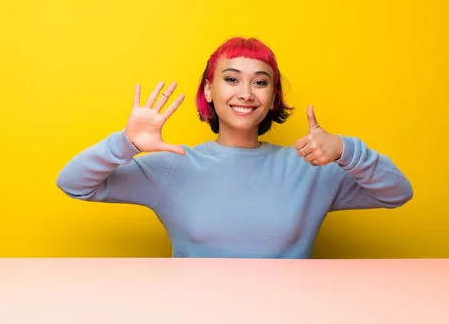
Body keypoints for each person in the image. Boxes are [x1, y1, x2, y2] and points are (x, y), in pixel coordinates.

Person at [56, 37, 413, 258]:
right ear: (209, 91)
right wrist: (126, 143)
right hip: (194, 320)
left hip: (292, 320)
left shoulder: (310, 166)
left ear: (273, 97)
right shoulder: (174, 166)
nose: (245, 93)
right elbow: (72, 183)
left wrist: (347, 150)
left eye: (260, 82)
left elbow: (398, 193)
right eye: (231, 79)